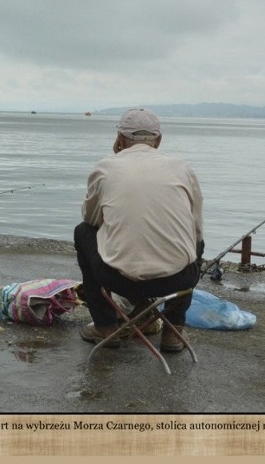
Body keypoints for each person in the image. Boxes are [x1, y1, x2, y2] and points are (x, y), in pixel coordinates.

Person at [74, 107, 204, 353]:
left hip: (118, 279)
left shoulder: (105, 167)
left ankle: (105, 327)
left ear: (120, 139)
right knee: (196, 241)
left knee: (82, 233)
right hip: (177, 279)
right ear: (159, 140)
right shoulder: (182, 168)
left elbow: (90, 219)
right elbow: (196, 226)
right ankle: (173, 332)